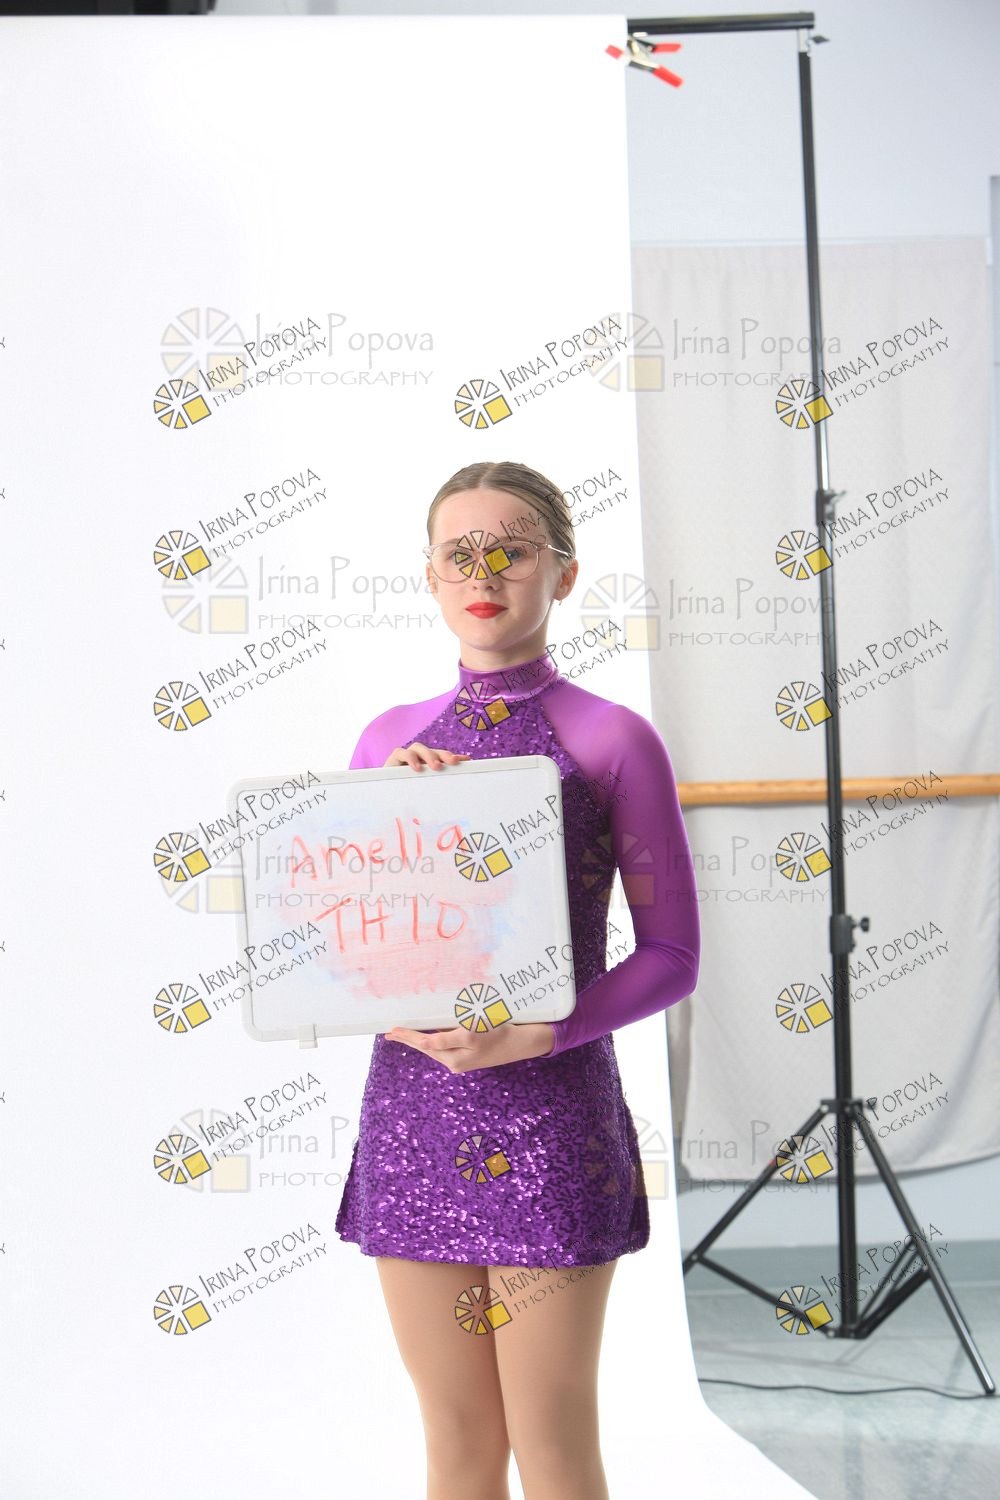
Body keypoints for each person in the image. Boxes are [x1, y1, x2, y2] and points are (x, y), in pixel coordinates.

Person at [335, 459, 701, 1500]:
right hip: (416, 1113)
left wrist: (541, 1033)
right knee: (455, 1439)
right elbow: (349, 949)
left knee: (551, 1438)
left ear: (565, 572)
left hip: (552, 1115)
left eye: (512, 549)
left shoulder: (611, 737)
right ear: (429, 577)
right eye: (459, 554)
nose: (483, 572)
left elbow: (672, 955)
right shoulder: (385, 741)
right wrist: (391, 812)